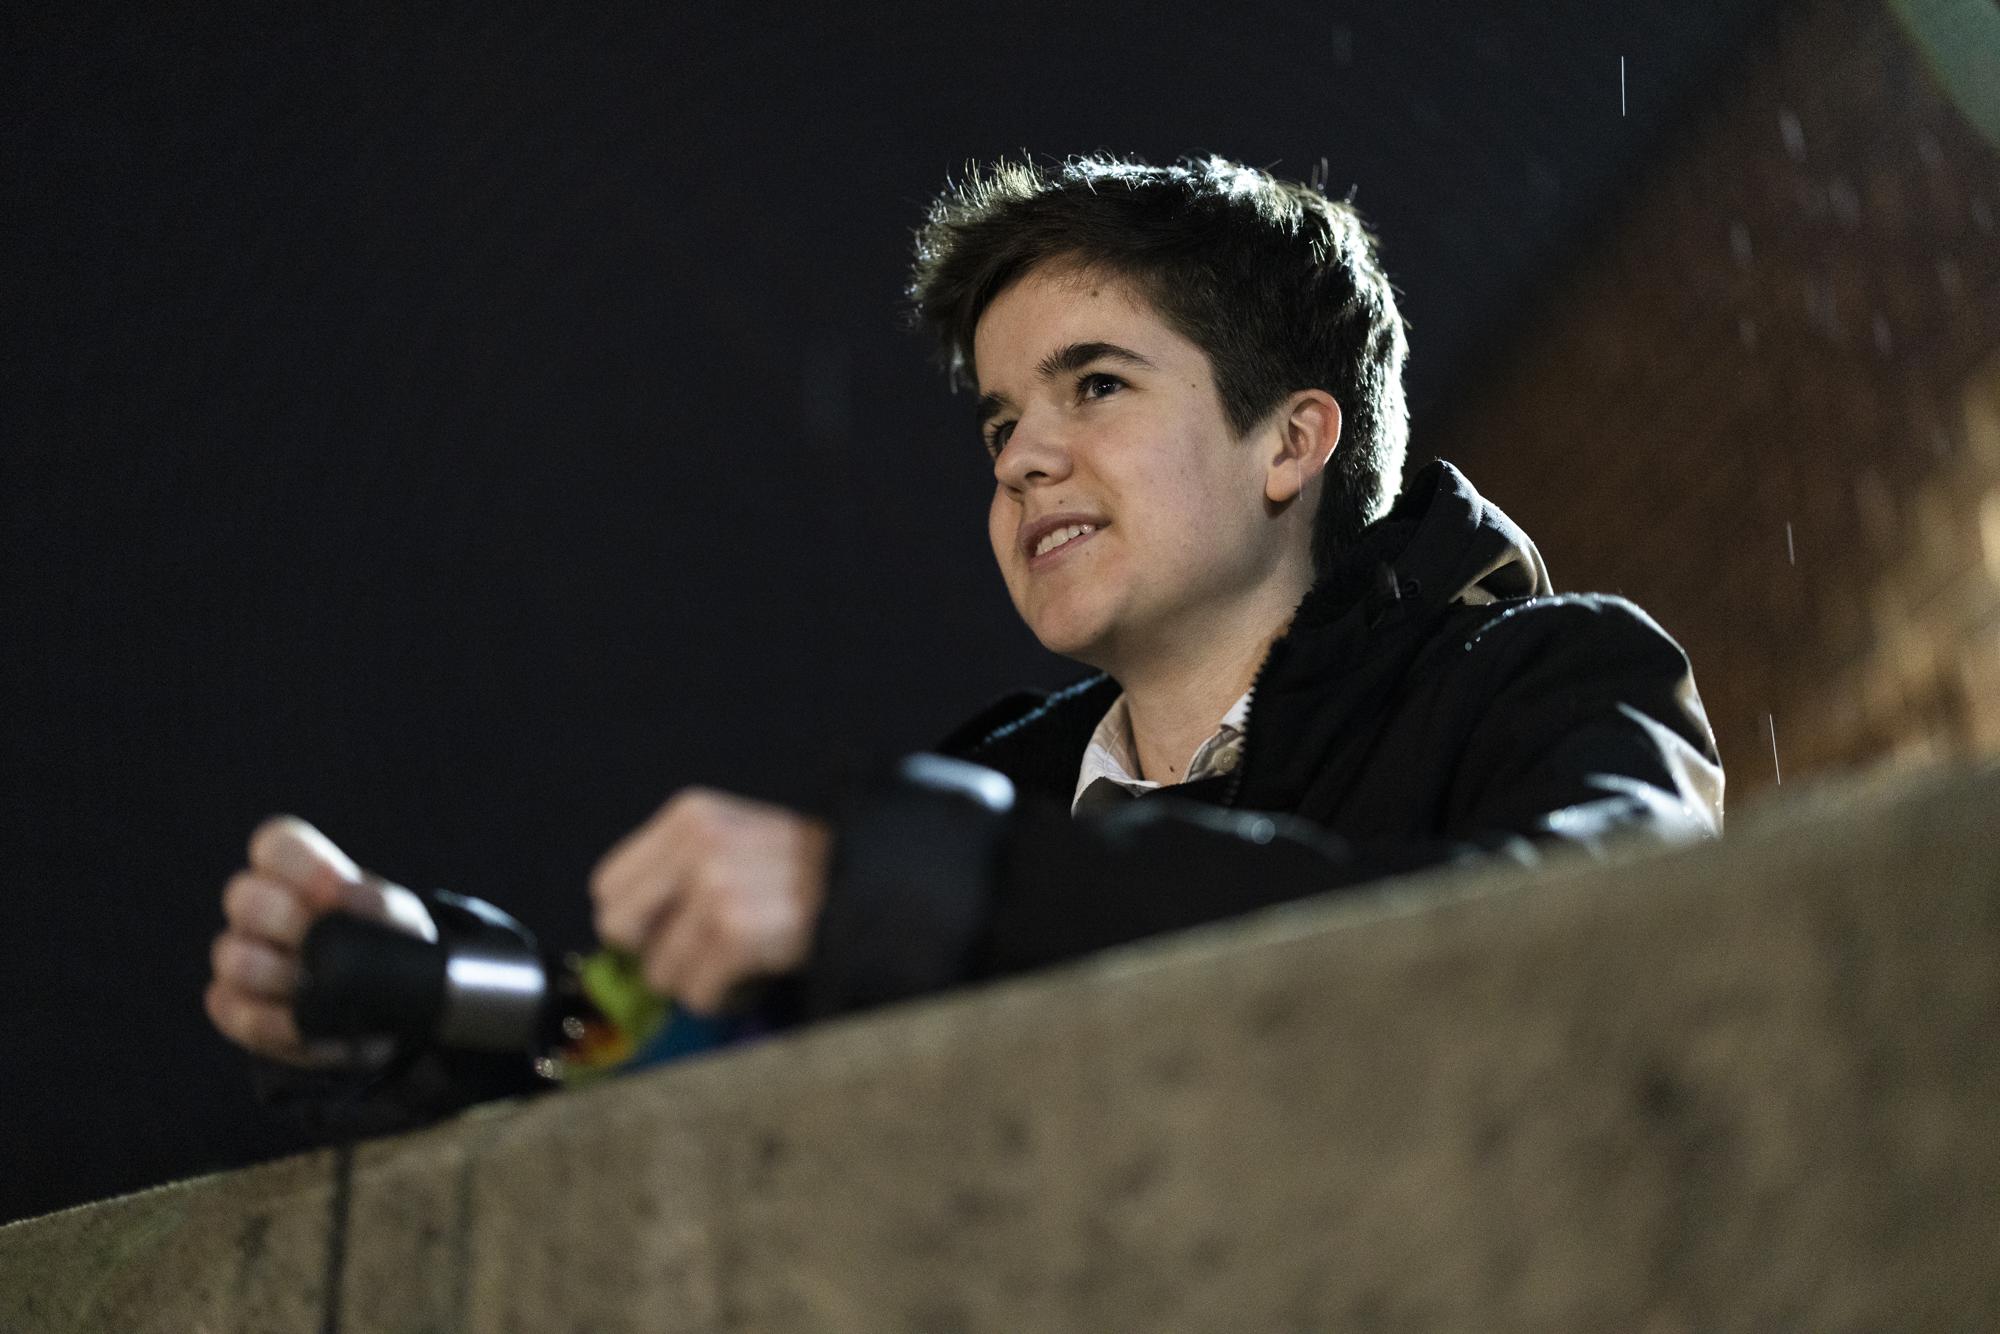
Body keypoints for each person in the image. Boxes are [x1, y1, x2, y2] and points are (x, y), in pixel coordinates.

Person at [205, 154, 1724, 1118]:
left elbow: (1613, 928)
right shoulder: (977, 788)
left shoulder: (1550, 676)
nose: (1021, 457)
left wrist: (950, 891)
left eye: (1096, 386)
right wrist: (426, 991)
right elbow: (660, 1050)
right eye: (1002, 416)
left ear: (1291, 440)